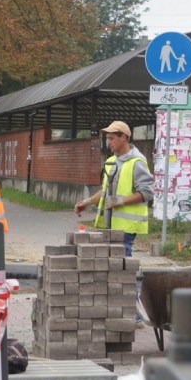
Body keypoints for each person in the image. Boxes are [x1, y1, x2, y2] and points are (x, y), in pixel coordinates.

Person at [73, 121, 153, 326]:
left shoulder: (137, 162)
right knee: (117, 270)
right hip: (111, 227)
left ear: (124, 137)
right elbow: (106, 191)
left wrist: (121, 201)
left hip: (126, 228)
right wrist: (87, 202)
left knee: (122, 271)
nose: (107, 142)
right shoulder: (111, 162)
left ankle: (133, 316)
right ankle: (129, 314)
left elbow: (146, 193)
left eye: (111, 138)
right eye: (107, 138)